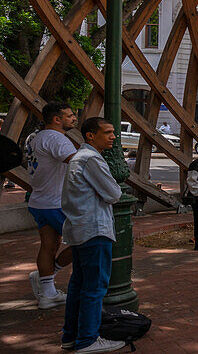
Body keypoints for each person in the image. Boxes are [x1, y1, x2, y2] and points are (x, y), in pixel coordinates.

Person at [61, 117, 124, 353]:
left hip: (80, 228)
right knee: (94, 287)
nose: (113, 136)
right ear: (90, 135)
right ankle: (88, 339)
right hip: (94, 229)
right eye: (107, 132)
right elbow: (114, 193)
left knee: (78, 285)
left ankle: (71, 336)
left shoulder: (79, 158)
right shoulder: (91, 159)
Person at [26, 100, 77, 309]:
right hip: (57, 202)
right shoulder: (58, 139)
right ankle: (49, 273)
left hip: (38, 201)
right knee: (84, 241)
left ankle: (47, 293)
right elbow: (79, 165)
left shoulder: (37, 138)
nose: (74, 118)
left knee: (49, 245)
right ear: (57, 120)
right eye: (70, 115)